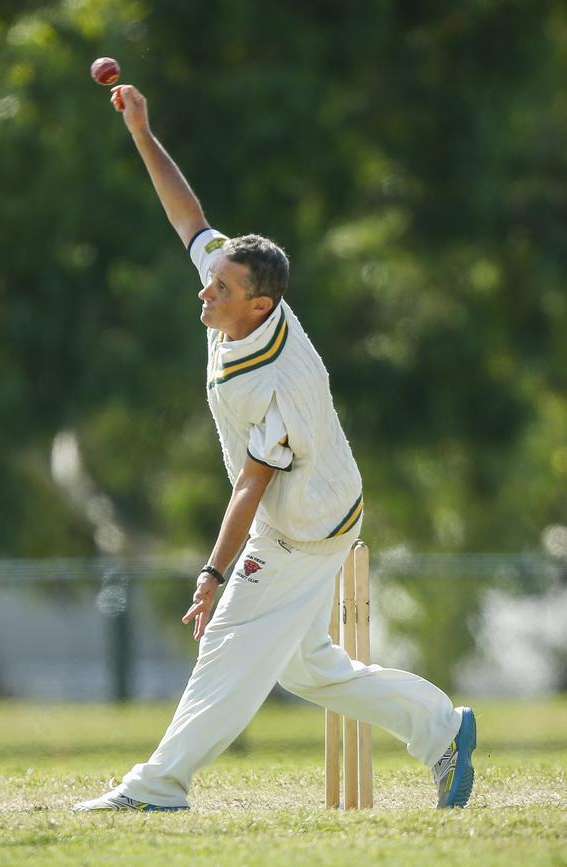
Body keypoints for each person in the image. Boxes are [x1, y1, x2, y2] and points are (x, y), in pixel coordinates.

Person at [73, 84, 476, 813]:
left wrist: (212, 572)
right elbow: (188, 217)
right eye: (212, 279)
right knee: (310, 670)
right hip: (313, 507)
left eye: (219, 289)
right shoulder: (240, 291)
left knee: (227, 642)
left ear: (258, 304)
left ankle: (159, 786)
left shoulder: (282, 383)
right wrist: (142, 132)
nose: (205, 294)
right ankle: (442, 728)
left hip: (303, 524)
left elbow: (250, 487)